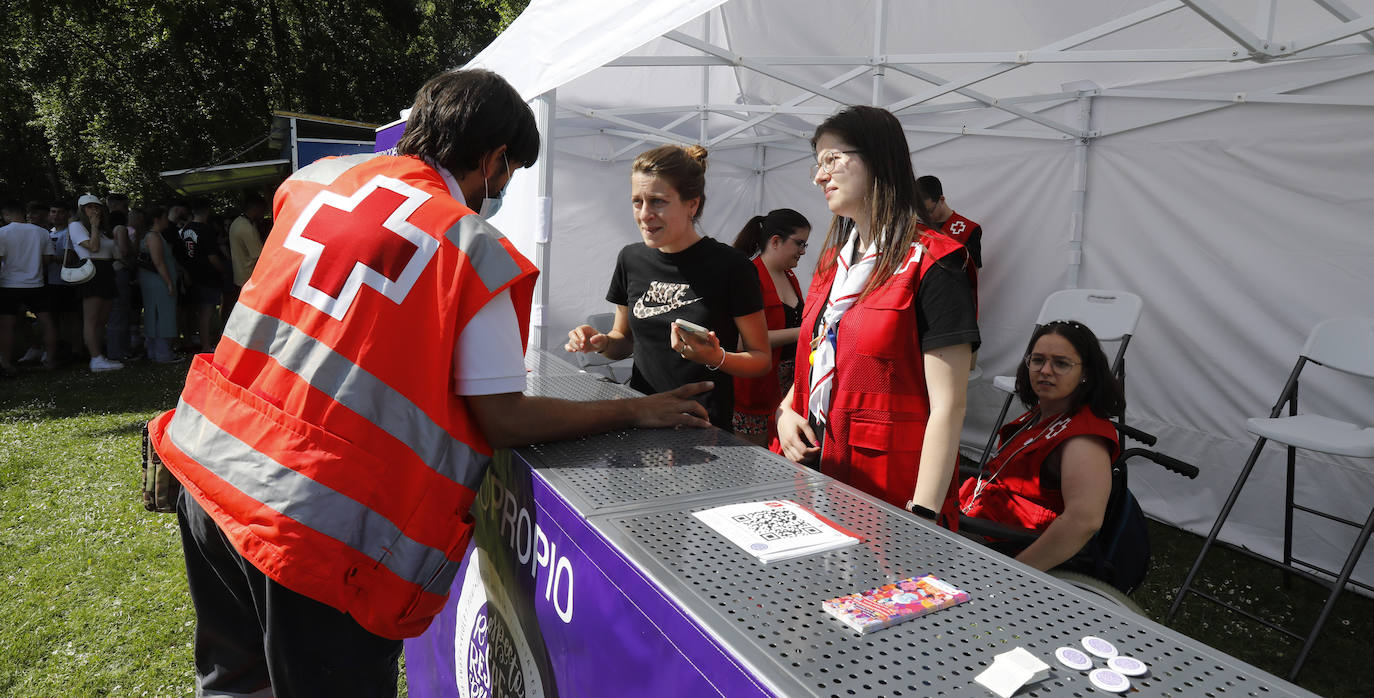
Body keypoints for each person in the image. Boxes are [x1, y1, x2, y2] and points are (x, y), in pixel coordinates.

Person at [147, 68, 714, 698]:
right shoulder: (471, 246)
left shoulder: (314, 182)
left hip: (213, 468)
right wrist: (633, 413)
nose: (500, 189)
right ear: (495, 158)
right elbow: (504, 419)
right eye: (509, 172)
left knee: (235, 686)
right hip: (315, 528)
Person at [775, 106, 979, 526]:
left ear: (877, 158)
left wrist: (922, 514)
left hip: (887, 493)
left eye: (831, 160)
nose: (819, 176)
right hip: (813, 469)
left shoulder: (937, 263)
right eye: (818, 164)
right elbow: (817, 355)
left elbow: (949, 406)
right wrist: (785, 414)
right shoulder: (833, 263)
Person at [564, 145, 771, 431]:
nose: (645, 214)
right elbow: (623, 341)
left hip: (702, 427)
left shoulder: (732, 267)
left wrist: (716, 357)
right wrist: (602, 343)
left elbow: (761, 359)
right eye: (637, 201)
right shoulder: (631, 259)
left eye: (658, 201)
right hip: (639, 419)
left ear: (692, 205)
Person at [958, 320, 1124, 572]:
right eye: (1037, 360)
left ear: (1086, 373)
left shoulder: (1083, 439)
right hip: (977, 522)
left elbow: (1084, 520)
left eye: (1061, 363)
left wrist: (1016, 574)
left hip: (1002, 547)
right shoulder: (1043, 414)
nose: (1045, 370)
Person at [729, 208, 811, 446]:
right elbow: (742, 341)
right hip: (756, 391)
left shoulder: (789, 276)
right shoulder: (750, 276)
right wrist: (802, 332)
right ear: (775, 241)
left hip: (784, 390)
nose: (803, 251)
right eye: (800, 244)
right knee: (749, 463)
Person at [0, 201, 59, 376]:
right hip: (36, 282)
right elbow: (48, 260)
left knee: (7, 325)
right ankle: (50, 359)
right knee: (47, 321)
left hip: (9, 284)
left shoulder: (2, 233)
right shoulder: (41, 232)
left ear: (7, 215)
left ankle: (6, 362)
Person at [68, 194, 124, 372]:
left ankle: (100, 355)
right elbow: (94, 247)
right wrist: (93, 226)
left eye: (96, 206)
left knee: (102, 319)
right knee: (91, 319)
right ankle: (95, 358)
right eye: (89, 207)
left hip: (106, 271)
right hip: (91, 271)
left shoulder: (103, 229)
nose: (94, 210)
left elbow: (115, 253)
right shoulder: (76, 226)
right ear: (82, 210)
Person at [179, 199, 226, 352]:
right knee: (207, 312)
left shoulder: (186, 229)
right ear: (207, 211)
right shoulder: (206, 230)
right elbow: (212, 257)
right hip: (207, 276)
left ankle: (190, 340)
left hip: (191, 275)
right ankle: (206, 345)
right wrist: (223, 269)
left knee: (194, 311)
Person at [136, 206, 180, 363]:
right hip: (158, 282)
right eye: (164, 217)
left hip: (152, 281)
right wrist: (169, 283)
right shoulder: (153, 237)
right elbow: (159, 262)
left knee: (154, 315)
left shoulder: (151, 235)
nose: (167, 221)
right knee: (162, 315)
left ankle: (155, 351)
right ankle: (162, 353)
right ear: (157, 219)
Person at [916, 175, 982, 269]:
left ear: (941, 200)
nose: (924, 217)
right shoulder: (916, 229)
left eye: (928, 211)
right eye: (920, 213)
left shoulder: (969, 230)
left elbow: (972, 273)